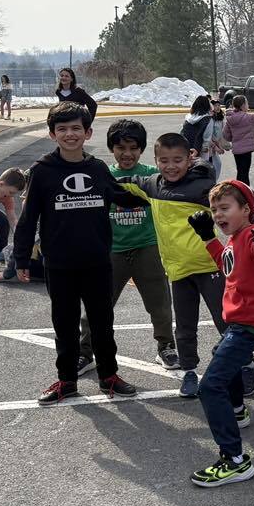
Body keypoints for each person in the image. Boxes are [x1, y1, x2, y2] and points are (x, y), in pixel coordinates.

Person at [13, 102, 143, 404]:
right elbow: (27, 217)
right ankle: (66, 381)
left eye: (76, 128)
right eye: (62, 129)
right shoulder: (42, 172)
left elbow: (119, 195)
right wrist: (21, 258)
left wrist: (159, 196)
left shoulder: (97, 168)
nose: (70, 134)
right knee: (65, 325)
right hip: (59, 264)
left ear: (88, 133)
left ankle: (109, 376)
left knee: (102, 323)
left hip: (98, 261)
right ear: (51, 134)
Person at [186, 180, 254, 487]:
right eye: (214, 209)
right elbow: (227, 266)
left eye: (225, 208)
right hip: (243, 322)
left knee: (210, 387)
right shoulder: (234, 239)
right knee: (221, 357)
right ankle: (238, 411)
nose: (217, 214)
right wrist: (208, 238)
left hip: (251, 323)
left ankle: (235, 460)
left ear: (246, 210)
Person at [117, 132, 225, 398]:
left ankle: (243, 363)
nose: (171, 166)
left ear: (190, 158)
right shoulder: (151, 184)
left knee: (226, 321)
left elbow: (228, 199)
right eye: (164, 160)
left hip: (210, 266)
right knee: (185, 327)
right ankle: (189, 372)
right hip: (177, 271)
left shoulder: (203, 185)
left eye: (178, 159)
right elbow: (126, 182)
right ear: (155, 161)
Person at [77, 120, 178, 377]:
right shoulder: (102, 174)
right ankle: (85, 352)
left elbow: (185, 188)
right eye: (121, 147)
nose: (127, 154)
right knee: (96, 304)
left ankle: (165, 346)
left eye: (133, 147)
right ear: (112, 148)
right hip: (111, 250)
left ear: (142, 149)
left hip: (148, 246)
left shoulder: (154, 174)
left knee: (160, 303)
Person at [0, 167, 25, 262]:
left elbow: (12, 218)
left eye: (14, 194)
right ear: (1, 184)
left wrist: (17, 233)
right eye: (11, 192)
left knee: (4, 221)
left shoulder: (7, 196)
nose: (11, 196)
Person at [181, 95, 214, 165]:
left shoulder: (188, 117)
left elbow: (182, 133)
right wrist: (205, 149)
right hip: (199, 151)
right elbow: (207, 137)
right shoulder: (208, 119)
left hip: (186, 149)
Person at [208, 100, 227, 178]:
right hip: (209, 147)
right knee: (212, 166)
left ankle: (212, 183)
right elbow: (209, 136)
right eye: (216, 105)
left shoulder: (220, 118)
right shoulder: (209, 119)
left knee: (217, 165)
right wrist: (216, 148)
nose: (218, 107)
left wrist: (222, 146)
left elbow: (221, 135)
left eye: (219, 105)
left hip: (215, 145)